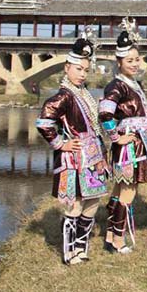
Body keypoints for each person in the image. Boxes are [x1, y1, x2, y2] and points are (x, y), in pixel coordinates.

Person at [36, 36, 109, 264]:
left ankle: (81, 246)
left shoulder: (83, 93)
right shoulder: (64, 96)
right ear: (67, 68)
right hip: (75, 157)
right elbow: (44, 122)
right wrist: (60, 143)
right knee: (75, 204)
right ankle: (69, 252)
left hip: (93, 155)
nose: (82, 74)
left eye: (86, 70)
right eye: (78, 69)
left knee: (93, 202)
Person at [98, 18, 147, 254]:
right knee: (127, 192)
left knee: (121, 190)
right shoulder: (117, 86)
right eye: (129, 60)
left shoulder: (132, 83)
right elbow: (105, 112)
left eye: (136, 59)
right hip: (129, 146)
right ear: (118, 62)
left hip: (137, 143)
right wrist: (115, 137)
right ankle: (118, 240)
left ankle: (111, 235)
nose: (134, 63)